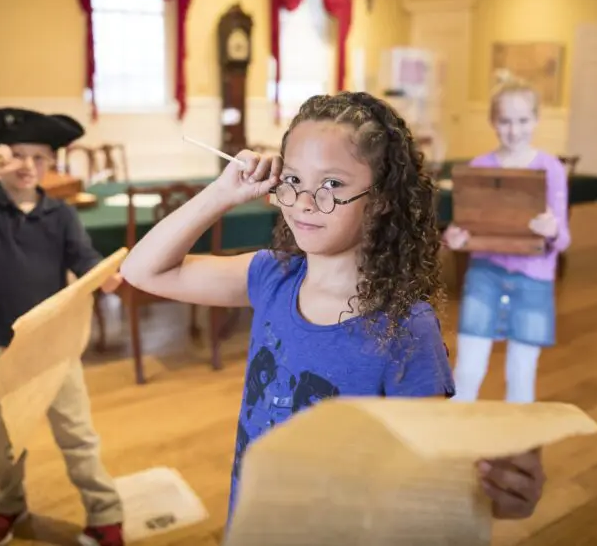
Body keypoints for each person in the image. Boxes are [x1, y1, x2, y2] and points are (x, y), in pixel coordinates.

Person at [120, 92, 546, 530]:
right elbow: (142, 270)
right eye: (293, 178)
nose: (304, 201)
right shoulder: (272, 276)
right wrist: (223, 192)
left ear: (380, 198)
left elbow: (431, 474)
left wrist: (495, 495)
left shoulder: (405, 327)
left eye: (332, 184)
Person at [0, 108, 125, 546]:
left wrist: (103, 275)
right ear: (0, 160)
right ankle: (9, 505)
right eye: (17, 156)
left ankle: (105, 514)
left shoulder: (60, 215)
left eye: (39, 158)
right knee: (3, 441)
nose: (28, 167)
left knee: (77, 434)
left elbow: (83, 258)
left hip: (53, 346)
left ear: (51, 163)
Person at [443, 72, 571, 404]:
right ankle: (453, 442)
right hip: (485, 277)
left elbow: (564, 239)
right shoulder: (480, 166)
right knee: (468, 370)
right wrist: (455, 238)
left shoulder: (551, 168)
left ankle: (516, 451)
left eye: (523, 120)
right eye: (505, 121)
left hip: (534, 281)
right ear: (492, 121)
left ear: (537, 119)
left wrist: (552, 229)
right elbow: (467, 228)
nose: (514, 130)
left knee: (521, 374)